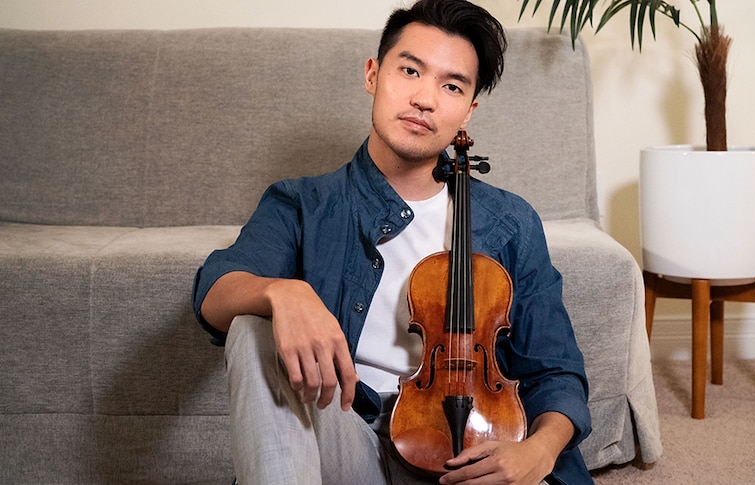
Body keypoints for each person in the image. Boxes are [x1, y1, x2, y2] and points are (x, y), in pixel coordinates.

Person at [192, 0, 592, 483]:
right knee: (252, 329)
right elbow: (213, 293)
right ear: (372, 75)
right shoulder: (305, 202)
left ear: (468, 110)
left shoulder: (511, 220)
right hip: (349, 436)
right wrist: (282, 292)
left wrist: (539, 452)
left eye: (451, 86)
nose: (425, 99)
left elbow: (557, 371)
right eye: (410, 70)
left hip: (470, 452)